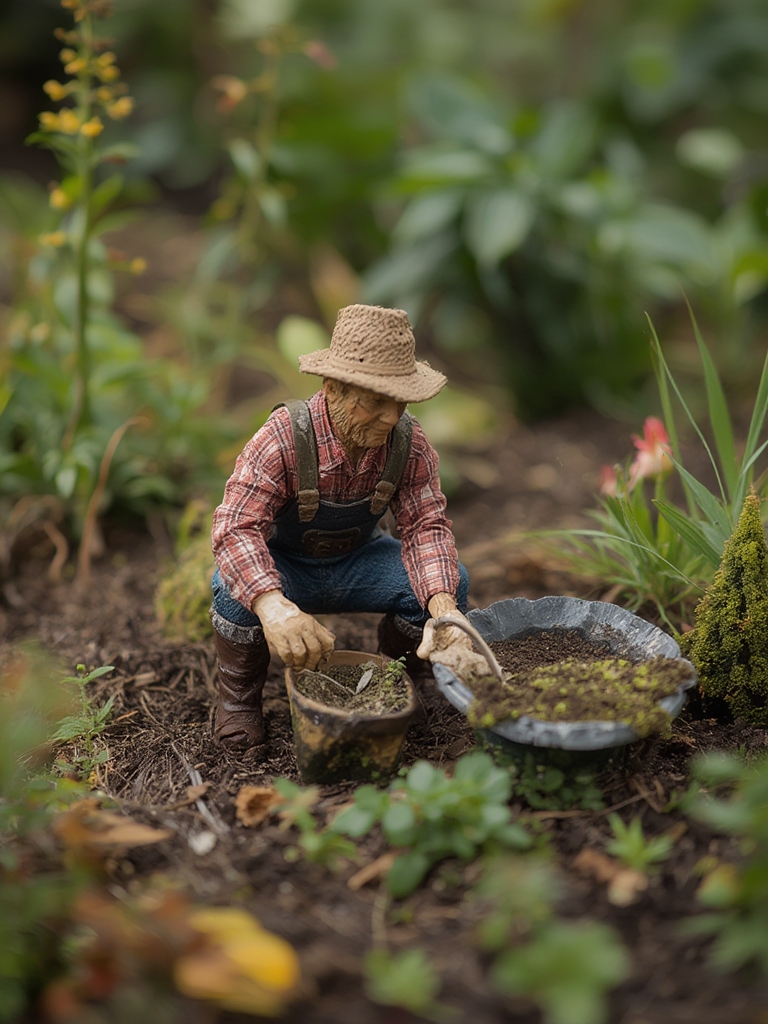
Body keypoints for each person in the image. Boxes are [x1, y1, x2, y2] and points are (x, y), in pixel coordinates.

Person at [210, 303, 483, 750]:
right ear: (333, 388)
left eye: (400, 402)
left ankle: (401, 681)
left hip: (358, 563)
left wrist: (444, 610)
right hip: (286, 570)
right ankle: (239, 705)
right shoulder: (281, 439)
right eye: (375, 402)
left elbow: (425, 526)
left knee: (449, 584)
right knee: (230, 589)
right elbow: (236, 527)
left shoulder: (408, 445)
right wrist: (273, 605)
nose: (392, 417)